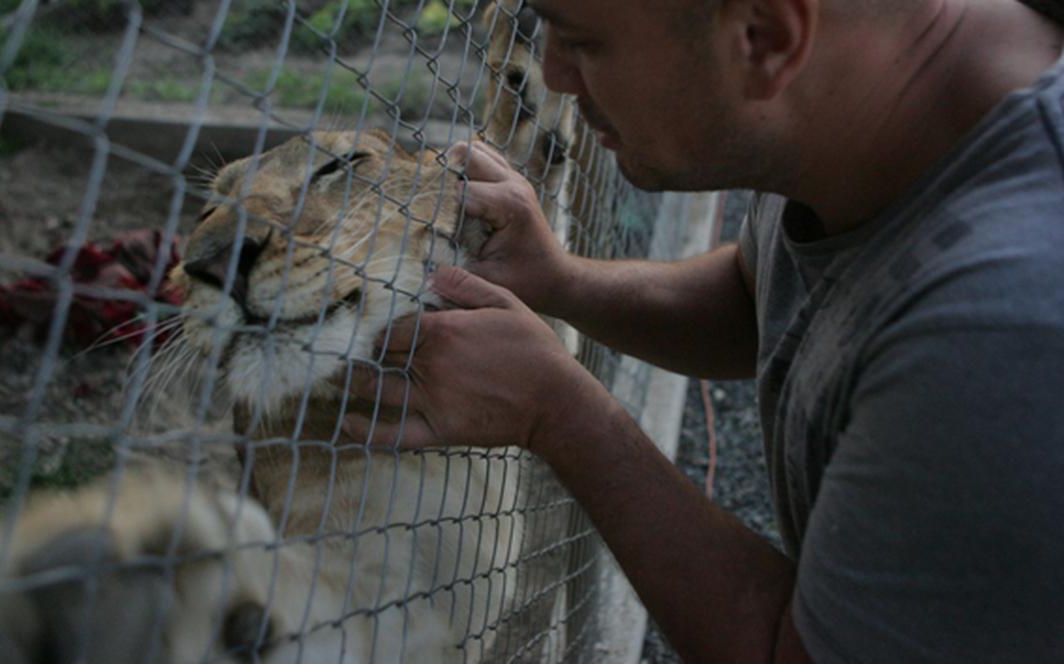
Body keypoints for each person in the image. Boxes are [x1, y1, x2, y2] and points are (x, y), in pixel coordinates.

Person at [343, 0, 1064, 661]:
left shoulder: (1007, 328)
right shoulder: (872, 92)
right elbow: (756, 298)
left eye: (583, 41)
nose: (556, 77)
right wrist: (559, 281)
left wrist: (560, 412)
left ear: (765, 38)